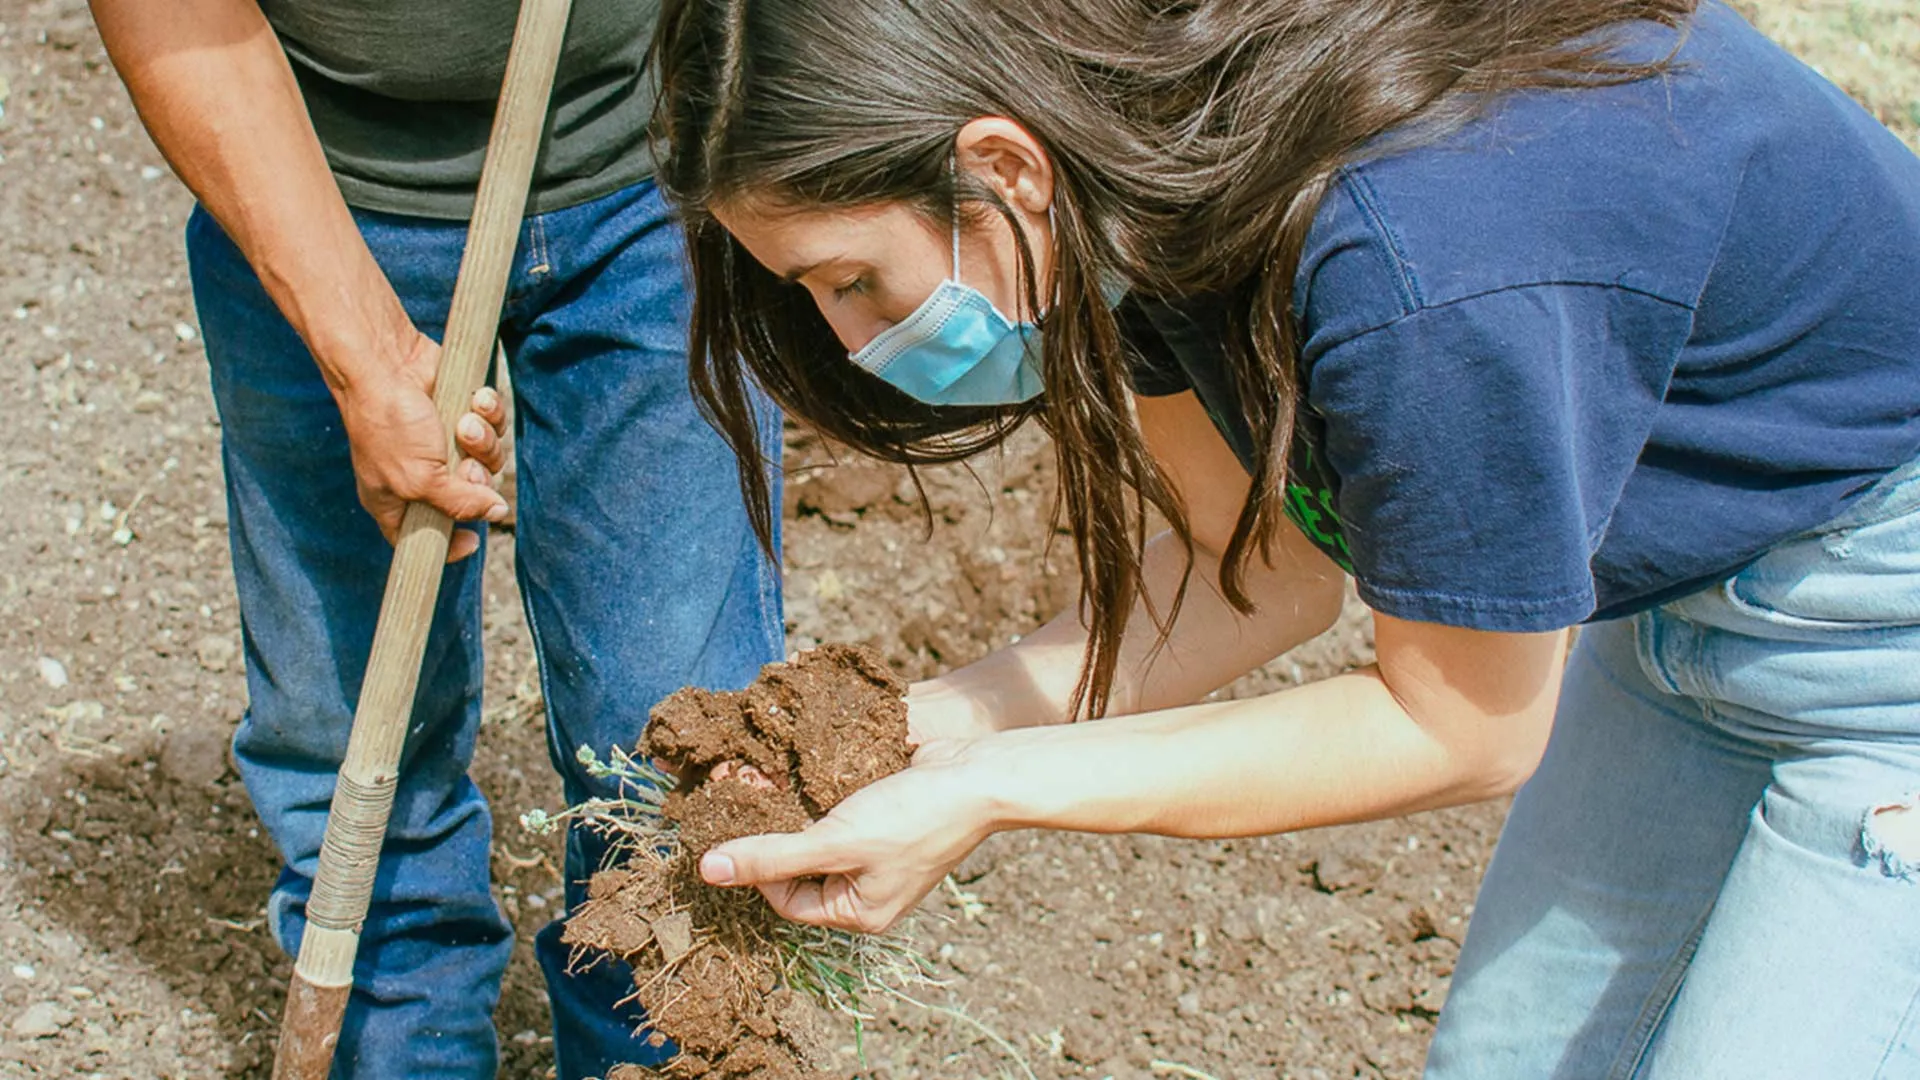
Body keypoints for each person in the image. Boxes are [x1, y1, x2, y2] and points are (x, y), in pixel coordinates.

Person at [644, 0, 1920, 1076]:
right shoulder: (1138, 189)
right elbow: (1246, 570)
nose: (854, 340)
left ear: (1002, 170)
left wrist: (992, 790)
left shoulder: (1419, 263)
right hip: (1687, 633)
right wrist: (907, 738)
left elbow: (1463, 728)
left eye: (851, 280)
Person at [89, 1, 783, 1076]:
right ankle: (399, 1047)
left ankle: (657, 1056)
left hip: (659, 164)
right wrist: (360, 352)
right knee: (355, 734)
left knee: (678, 740)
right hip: (321, 180)